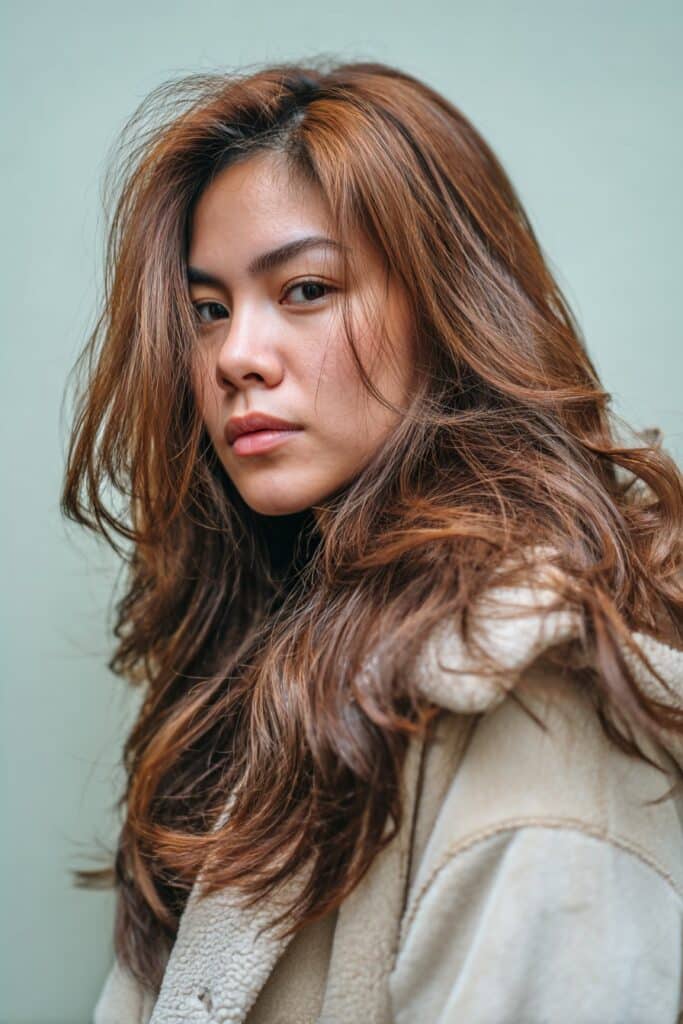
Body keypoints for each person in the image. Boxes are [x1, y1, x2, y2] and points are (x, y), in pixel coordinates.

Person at [60, 58, 683, 1024]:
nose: (235, 356)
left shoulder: (535, 687)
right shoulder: (257, 662)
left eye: (305, 289)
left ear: (448, 309)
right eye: (207, 311)